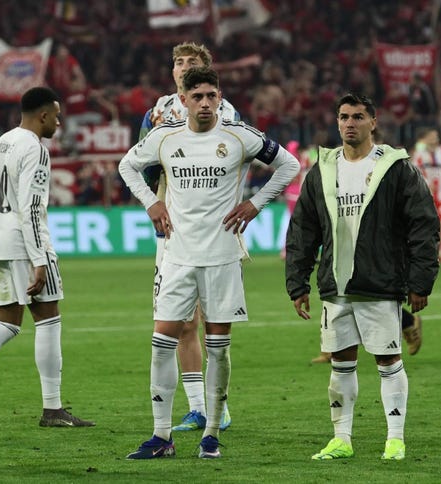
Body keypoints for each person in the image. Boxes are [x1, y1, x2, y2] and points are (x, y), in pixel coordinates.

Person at [120, 67, 300, 459]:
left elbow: (289, 165)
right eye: (197, 95)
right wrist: (151, 202)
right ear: (181, 99)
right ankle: (161, 435)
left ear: (220, 98)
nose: (205, 102)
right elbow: (126, 166)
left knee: (218, 347)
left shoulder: (240, 136)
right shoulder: (164, 138)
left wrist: (255, 203)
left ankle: (212, 434)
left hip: (221, 258)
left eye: (212, 95)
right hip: (178, 257)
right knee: (161, 341)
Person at [285, 93, 439, 461]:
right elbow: (303, 229)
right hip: (335, 286)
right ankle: (342, 439)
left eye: (357, 116)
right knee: (340, 362)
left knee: (388, 361)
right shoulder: (322, 168)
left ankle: (395, 439)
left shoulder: (395, 167)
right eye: (343, 116)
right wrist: (297, 281)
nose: (349, 123)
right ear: (336, 122)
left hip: (380, 283)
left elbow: (423, 224)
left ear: (373, 121)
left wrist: (420, 282)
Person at [0, 86, 95, 430]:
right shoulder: (36, 150)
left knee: (7, 323)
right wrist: (39, 259)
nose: (59, 121)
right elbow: (32, 208)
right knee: (48, 318)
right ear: (43, 115)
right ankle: (52, 409)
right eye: (56, 115)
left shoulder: (0, 143)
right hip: (25, 245)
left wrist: (1, 227)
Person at [140, 41, 241, 434]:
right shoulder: (159, 110)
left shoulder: (223, 110)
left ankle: (218, 407)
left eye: (192, 62)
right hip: (172, 227)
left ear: (207, 69)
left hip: (212, 229)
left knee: (212, 323)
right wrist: (153, 202)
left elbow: (241, 154)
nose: (183, 67)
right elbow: (143, 159)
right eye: (178, 62)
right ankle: (198, 408)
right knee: (181, 322)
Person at [412, 128, 441, 266]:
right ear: (425, 139)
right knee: (426, 225)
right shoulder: (419, 155)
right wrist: (425, 185)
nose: (434, 139)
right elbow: (415, 173)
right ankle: (426, 254)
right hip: (425, 195)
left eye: (436, 137)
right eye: (431, 137)